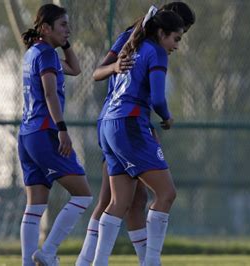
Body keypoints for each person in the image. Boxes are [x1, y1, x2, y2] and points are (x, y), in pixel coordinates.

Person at [76, 3, 195, 265]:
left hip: (110, 122)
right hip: (128, 124)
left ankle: (95, 262)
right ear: (164, 30)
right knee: (166, 194)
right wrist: (166, 117)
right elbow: (157, 98)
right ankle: (151, 262)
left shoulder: (135, 41)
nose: (177, 45)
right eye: (178, 36)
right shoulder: (152, 49)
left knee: (122, 200)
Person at [18, 4, 93, 266]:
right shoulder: (47, 54)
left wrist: (65, 42)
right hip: (45, 131)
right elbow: (50, 93)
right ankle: (48, 252)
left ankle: (29, 262)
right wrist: (62, 129)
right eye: (63, 25)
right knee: (83, 194)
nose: (68, 30)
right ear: (46, 28)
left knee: (35, 205)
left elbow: (75, 68)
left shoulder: (34, 53)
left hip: (26, 135)